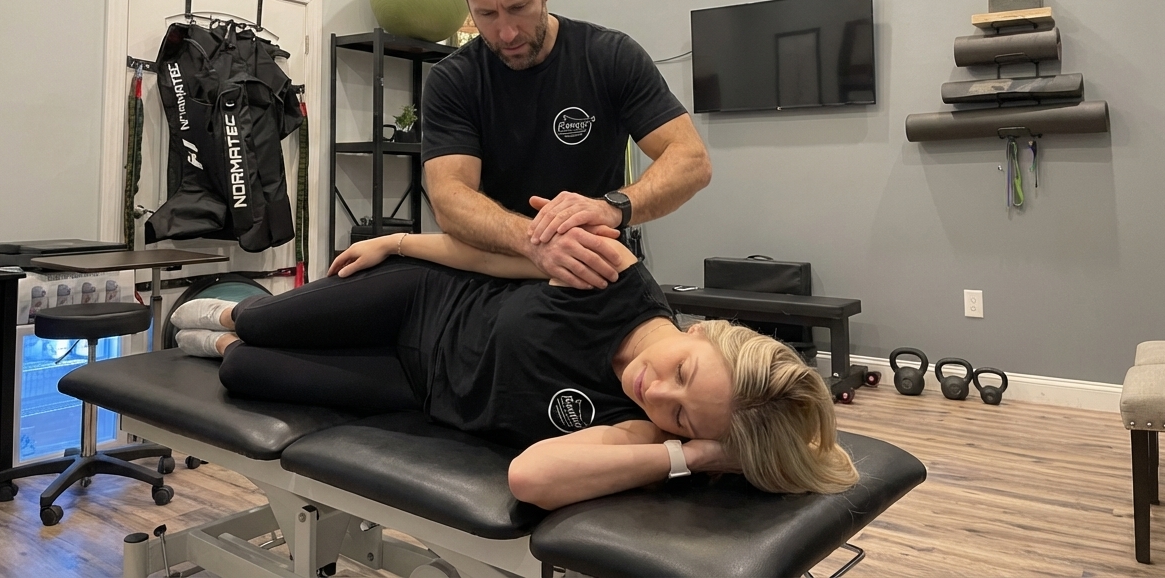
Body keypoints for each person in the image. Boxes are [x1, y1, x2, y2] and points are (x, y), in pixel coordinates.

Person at [170, 230, 859, 510]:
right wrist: (397, 242)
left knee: (244, 370)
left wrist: (691, 453)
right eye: (682, 370)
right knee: (261, 325)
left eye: (680, 414)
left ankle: (229, 343)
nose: (656, 390)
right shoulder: (615, 275)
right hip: (421, 298)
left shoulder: (644, 434)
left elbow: (530, 478)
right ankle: (229, 313)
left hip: (414, 386)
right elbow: (495, 256)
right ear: (703, 332)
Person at [422, 0, 712, 290]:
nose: (507, 33)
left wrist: (611, 207)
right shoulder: (454, 79)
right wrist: (536, 241)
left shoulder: (609, 56)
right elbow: (449, 198)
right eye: (487, 15)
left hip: (594, 267)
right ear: (467, 2)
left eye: (518, 7)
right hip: (498, 271)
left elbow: (691, 160)